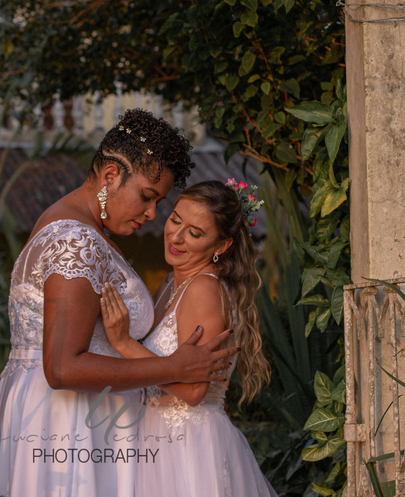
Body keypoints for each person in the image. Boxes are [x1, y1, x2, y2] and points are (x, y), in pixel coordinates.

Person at [0, 110, 237, 497]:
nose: (152, 214)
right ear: (111, 176)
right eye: (146, 197)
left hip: (74, 415)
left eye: (158, 202)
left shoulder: (75, 227)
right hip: (69, 422)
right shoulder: (77, 241)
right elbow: (62, 368)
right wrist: (173, 367)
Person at [100, 179, 277, 496]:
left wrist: (124, 344)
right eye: (175, 220)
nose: (176, 237)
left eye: (194, 233)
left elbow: (194, 391)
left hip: (186, 445)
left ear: (221, 246)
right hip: (155, 436)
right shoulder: (171, 282)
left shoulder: (203, 289)